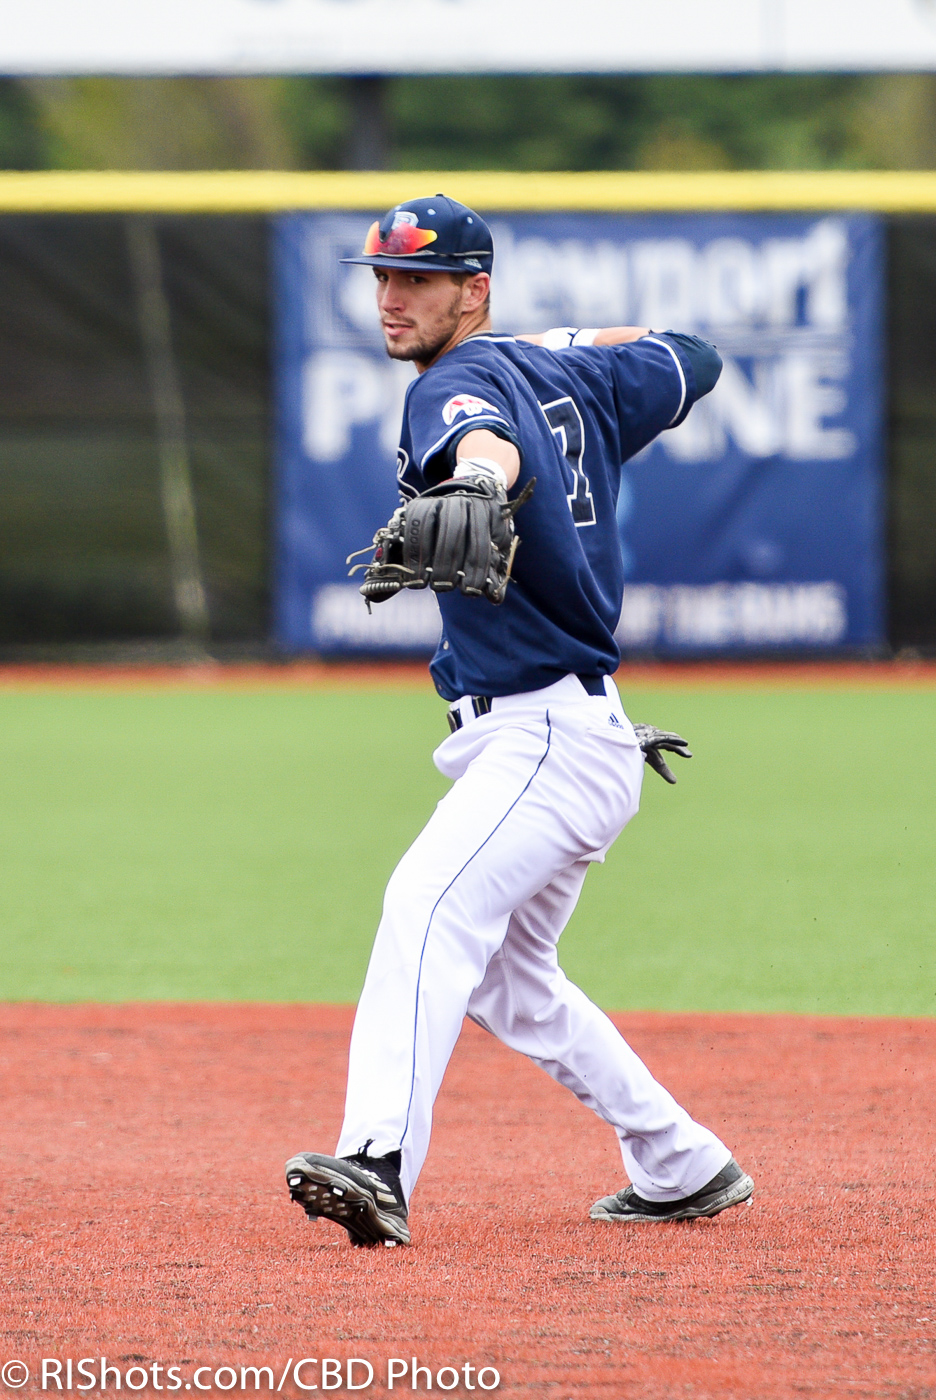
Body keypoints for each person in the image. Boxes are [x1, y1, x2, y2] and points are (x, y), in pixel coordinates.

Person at [285, 194, 753, 1247]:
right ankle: (680, 1160)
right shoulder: (581, 372)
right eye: (383, 276)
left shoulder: (449, 384)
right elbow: (697, 354)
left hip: (542, 734)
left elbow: (481, 444)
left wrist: (480, 485)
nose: (392, 297)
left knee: (427, 903)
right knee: (510, 980)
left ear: (474, 290)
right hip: (582, 735)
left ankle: (374, 1160)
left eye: (419, 278)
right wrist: (564, 342)